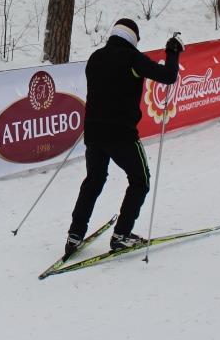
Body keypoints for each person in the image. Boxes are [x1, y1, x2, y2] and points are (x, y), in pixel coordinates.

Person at [66, 18, 184, 255]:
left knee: (94, 180)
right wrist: (173, 51)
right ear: (133, 39)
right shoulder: (132, 58)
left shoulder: (95, 57)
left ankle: (74, 234)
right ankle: (122, 234)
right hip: (121, 134)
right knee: (140, 180)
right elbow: (169, 76)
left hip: (93, 132)